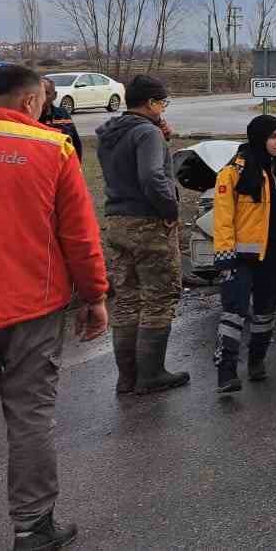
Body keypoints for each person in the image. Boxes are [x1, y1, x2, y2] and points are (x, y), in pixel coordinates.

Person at [0, 65, 108, 551]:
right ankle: (33, 527)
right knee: (30, 417)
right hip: (32, 307)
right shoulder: (52, 149)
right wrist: (94, 296)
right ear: (32, 102)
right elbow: (78, 235)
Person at [96, 75, 188, 395]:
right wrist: (170, 209)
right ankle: (151, 374)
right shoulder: (147, 132)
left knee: (127, 297)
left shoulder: (111, 133)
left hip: (117, 220)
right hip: (148, 222)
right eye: (163, 102)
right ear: (150, 103)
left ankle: (127, 377)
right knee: (159, 295)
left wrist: (164, 138)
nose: (164, 108)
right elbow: (152, 176)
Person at [210, 115, 276, 393]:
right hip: (239, 257)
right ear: (259, 138)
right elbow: (224, 217)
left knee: (265, 312)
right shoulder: (234, 172)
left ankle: (257, 362)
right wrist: (224, 255)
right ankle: (226, 372)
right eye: (274, 137)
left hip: (274, 255)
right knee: (234, 313)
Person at [37, 78, 82, 158]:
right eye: (38, 93)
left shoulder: (62, 115)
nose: (42, 97)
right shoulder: (26, 117)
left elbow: (75, 144)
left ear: (54, 96)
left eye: (46, 93)